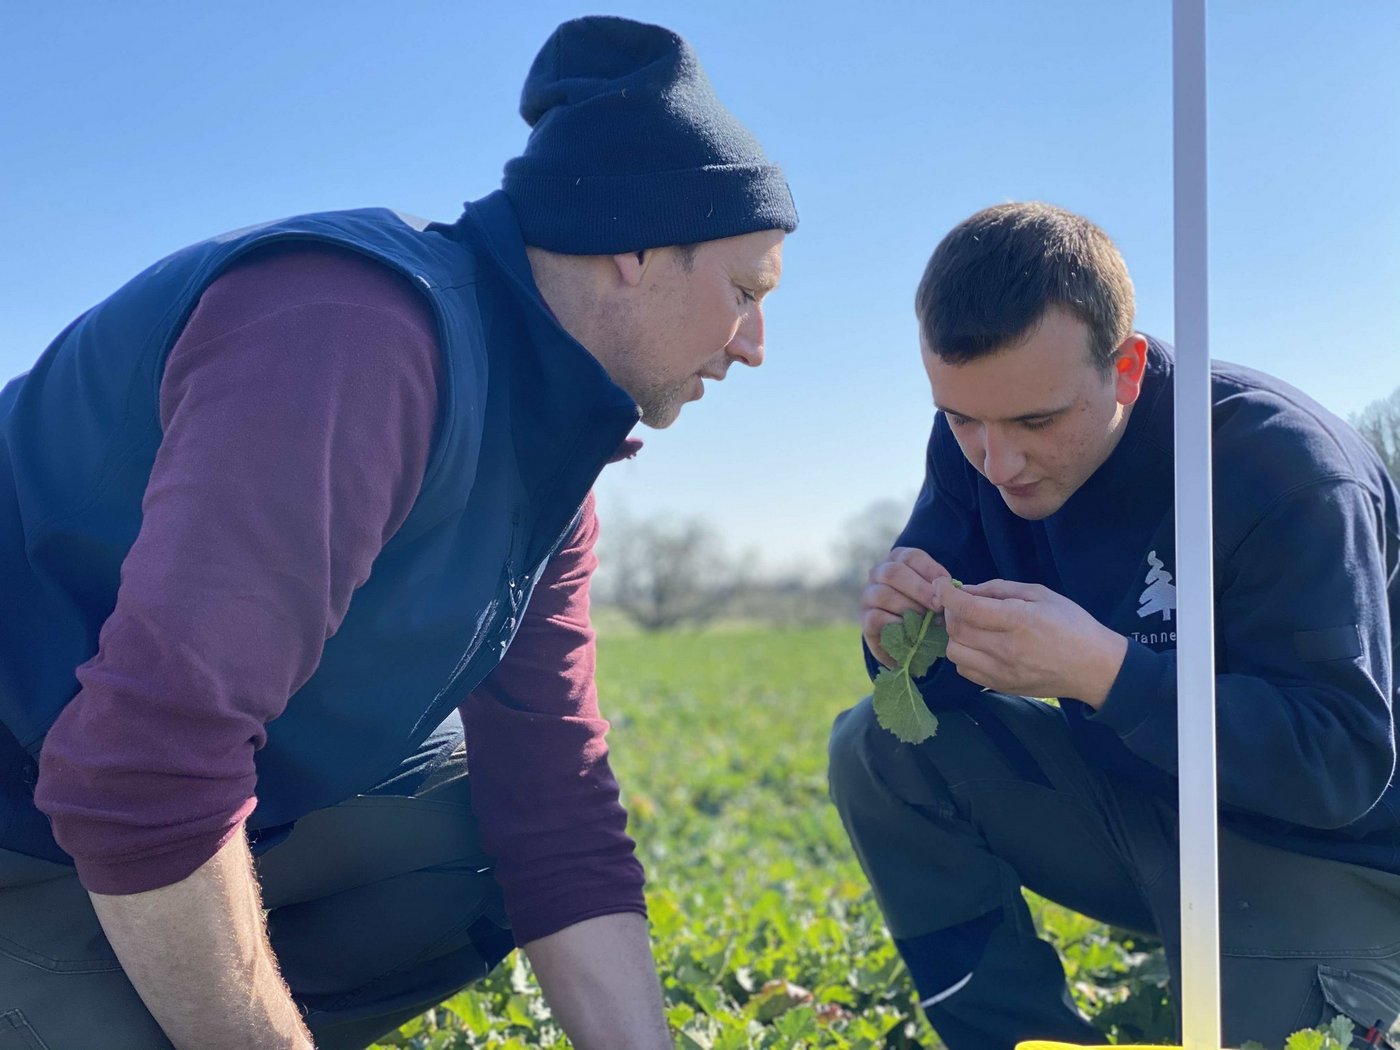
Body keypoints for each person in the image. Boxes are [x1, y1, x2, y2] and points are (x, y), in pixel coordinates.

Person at [0, 16, 794, 1050]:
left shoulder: (551, 448)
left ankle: (132, 977)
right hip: (31, 806)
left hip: (97, 818)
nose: (755, 345)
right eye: (745, 291)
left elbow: (551, 800)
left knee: (476, 824)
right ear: (635, 249)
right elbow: (144, 760)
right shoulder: (353, 336)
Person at [828, 202, 1400, 1049]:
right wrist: (898, 637)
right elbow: (928, 693)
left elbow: (1341, 767)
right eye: (960, 417)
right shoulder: (978, 444)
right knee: (877, 746)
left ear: (1126, 368)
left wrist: (1109, 674)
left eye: (1036, 422)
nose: (997, 463)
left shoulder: (1286, 470)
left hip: (1336, 855)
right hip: (1142, 817)